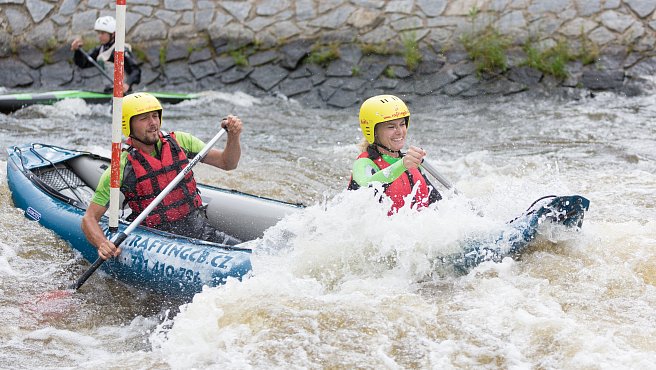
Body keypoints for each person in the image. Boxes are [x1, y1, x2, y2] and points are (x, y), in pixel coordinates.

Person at [81, 92, 243, 260]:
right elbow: (90, 219)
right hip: (158, 243)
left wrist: (233, 136)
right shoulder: (120, 168)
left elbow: (227, 163)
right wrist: (102, 243)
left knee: (252, 254)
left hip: (199, 230)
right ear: (127, 125)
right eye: (143, 118)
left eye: (155, 116)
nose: (153, 123)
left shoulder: (181, 141)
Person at [348, 94, 441, 214]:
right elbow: (367, 187)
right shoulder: (364, 163)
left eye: (402, 124)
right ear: (374, 132)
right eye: (391, 127)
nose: (399, 132)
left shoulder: (411, 163)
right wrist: (402, 165)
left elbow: (439, 205)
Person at [70, 15, 141, 94]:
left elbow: (136, 71)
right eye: (99, 33)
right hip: (109, 91)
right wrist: (77, 51)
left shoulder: (121, 50)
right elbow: (83, 63)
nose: (99, 36)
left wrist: (127, 84)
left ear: (113, 34)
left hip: (123, 93)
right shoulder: (100, 49)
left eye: (103, 33)